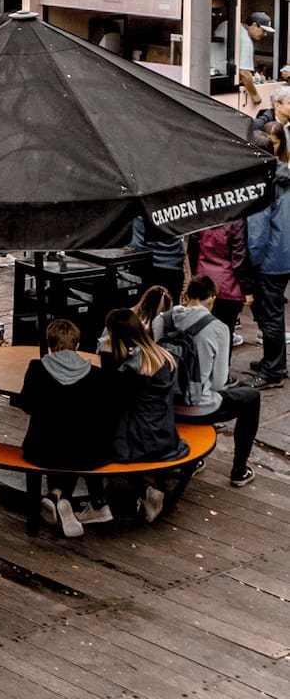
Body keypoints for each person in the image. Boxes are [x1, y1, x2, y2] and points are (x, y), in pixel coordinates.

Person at [155, 275, 260, 488]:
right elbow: (220, 382)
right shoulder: (219, 328)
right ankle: (239, 471)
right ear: (212, 298)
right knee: (251, 398)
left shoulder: (162, 320)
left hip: (163, 405)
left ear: (186, 296)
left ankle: (195, 459)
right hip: (198, 408)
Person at [16, 319, 114, 538]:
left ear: (50, 345)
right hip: (86, 455)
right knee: (75, 443)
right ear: (77, 344)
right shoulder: (96, 374)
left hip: (41, 451)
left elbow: (27, 405)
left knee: (58, 441)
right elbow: (105, 413)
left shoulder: (37, 368)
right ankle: (60, 498)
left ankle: (56, 496)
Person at [99, 308, 187, 521]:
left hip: (141, 438)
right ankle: (144, 492)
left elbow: (111, 397)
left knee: (100, 443)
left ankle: (141, 490)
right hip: (166, 433)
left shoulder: (131, 369)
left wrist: (105, 356)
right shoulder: (162, 356)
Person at [248, 124, 290, 390]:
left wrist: (251, 263)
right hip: (284, 254)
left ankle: (273, 368)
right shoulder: (285, 176)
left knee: (270, 314)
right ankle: (275, 362)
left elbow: (257, 231)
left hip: (270, 259)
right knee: (274, 313)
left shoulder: (264, 183)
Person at [192, 215, 251, 336]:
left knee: (202, 333)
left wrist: (196, 275)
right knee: (225, 333)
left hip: (203, 279)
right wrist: (247, 289)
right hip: (228, 283)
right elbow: (239, 258)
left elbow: (192, 249)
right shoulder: (236, 220)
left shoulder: (201, 216)